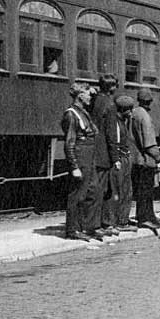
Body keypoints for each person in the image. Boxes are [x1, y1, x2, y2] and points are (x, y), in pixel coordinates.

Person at [61, 82, 101, 241]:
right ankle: (73, 229)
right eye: (87, 93)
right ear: (79, 96)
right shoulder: (71, 114)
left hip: (89, 154)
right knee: (78, 194)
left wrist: (92, 91)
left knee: (93, 191)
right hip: (80, 154)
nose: (90, 95)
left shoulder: (83, 111)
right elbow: (69, 142)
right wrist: (74, 166)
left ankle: (88, 227)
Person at [91, 74, 120, 236]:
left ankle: (98, 223)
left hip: (95, 150)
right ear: (112, 87)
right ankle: (102, 224)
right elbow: (111, 134)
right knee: (105, 190)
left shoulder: (94, 101)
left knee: (97, 189)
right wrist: (115, 158)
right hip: (105, 154)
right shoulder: (110, 105)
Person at [129, 88, 160, 230]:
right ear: (150, 101)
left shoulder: (134, 113)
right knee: (147, 191)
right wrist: (158, 157)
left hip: (135, 157)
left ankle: (146, 216)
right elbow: (148, 142)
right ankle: (145, 217)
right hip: (145, 159)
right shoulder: (145, 116)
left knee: (142, 190)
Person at [112, 95, 137, 232]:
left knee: (127, 190)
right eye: (129, 110)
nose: (131, 113)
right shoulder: (116, 123)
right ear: (123, 110)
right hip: (121, 159)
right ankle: (120, 221)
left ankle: (123, 218)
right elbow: (115, 142)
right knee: (122, 190)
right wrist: (117, 160)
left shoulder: (122, 122)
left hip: (125, 157)